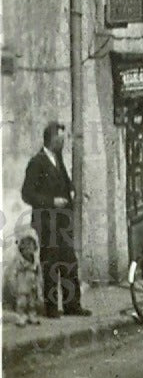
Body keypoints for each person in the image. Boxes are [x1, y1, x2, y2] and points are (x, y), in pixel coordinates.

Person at [20, 121, 90, 318]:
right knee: (50, 264)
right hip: (46, 223)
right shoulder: (37, 162)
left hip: (62, 222)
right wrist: (51, 201)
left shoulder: (58, 159)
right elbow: (27, 194)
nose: (63, 142)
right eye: (61, 138)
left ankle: (72, 305)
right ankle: (51, 309)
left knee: (69, 262)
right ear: (52, 139)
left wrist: (72, 192)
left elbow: (66, 182)